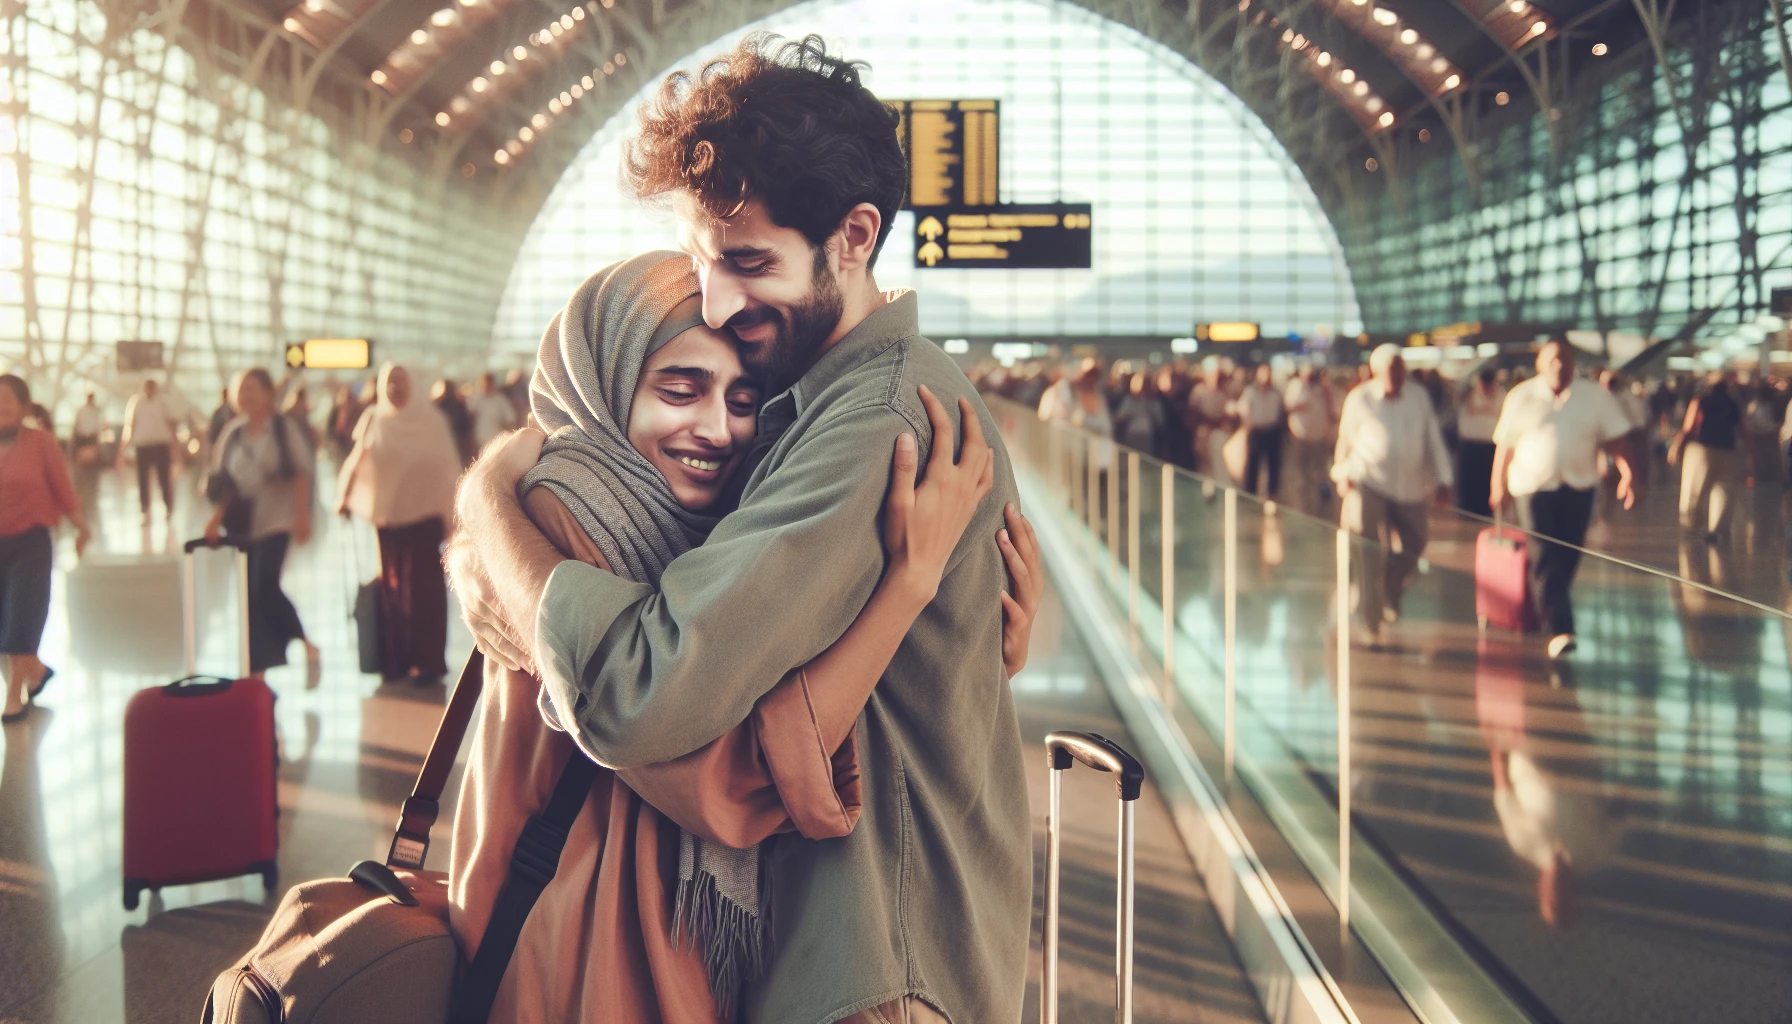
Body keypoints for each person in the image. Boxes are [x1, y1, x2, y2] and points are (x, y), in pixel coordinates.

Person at [445, 34, 1036, 1024]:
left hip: (874, 967)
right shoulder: (803, 409)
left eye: (749, 261)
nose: (717, 300)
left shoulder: (875, 423)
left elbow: (642, 694)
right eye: (702, 261)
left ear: (853, 237)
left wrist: (484, 507)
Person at [1490, 341, 1636, 659]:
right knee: (1543, 553)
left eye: (1565, 359)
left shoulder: (1595, 396)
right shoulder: (1522, 397)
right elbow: (1505, 445)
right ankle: (1560, 629)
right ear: (1540, 365)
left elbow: (1616, 439)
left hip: (1579, 485)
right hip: (1532, 486)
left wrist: (1627, 473)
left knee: (1568, 555)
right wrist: (1496, 485)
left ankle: (1545, 606)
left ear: (1574, 364)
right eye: (1553, 360)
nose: (1560, 366)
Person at [335, 364, 462, 682]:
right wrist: (344, 497)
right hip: (389, 519)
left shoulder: (432, 422)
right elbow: (357, 461)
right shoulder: (374, 420)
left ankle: (427, 661)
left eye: (401, 382)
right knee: (392, 589)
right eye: (389, 383)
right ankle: (397, 659)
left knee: (423, 591)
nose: (395, 389)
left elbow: (449, 469)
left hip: (424, 519)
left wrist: (453, 516)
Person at [203, 368, 319, 681]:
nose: (246, 396)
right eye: (241, 391)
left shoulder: (283, 428)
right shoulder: (233, 434)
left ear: (269, 393)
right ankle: (258, 669)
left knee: (264, 584)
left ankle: (301, 640)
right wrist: (214, 521)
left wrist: (302, 516)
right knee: (249, 596)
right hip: (241, 524)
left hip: (277, 518)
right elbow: (223, 485)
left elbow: (300, 473)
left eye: (253, 389)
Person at [1332, 345, 1452, 641]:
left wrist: (1443, 479)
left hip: (1409, 486)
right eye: (1390, 369)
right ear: (1377, 372)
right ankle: (1371, 620)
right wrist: (1342, 473)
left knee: (1416, 540)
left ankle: (1390, 588)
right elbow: (1345, 442)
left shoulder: (1418, 397)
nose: (1395, 375)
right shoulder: (1360, 399)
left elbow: (1432, 438)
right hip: (1368, 481)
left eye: (1399, 368)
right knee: (1367, 550)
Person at [0, 375, 90, 723]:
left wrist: (81, 527)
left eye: (9, 401)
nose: (2, 407)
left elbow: (62, 488)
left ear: (24, 406)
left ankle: (13, 696)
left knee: (23, 614)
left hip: (32, 541)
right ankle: (35, 672)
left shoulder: (41, 443)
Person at [1669, 371, 1745, 542]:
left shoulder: (1701, 401)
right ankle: (1717, 529)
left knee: (1694, 490)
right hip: (1727, 450)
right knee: (1723, 491)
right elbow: (1742, 430)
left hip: (1702, 450)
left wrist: (1675, 447)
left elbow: (1688, 428)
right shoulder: (1733, 404)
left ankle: (1691, 527)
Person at [119, 378, 177, 524]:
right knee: (142, 480)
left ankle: (168, 507)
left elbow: (171, 424)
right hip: (143, 445)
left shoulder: (163, 402)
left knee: (164, 479)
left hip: (160, 444)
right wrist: (122, 450)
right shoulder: (136, 402)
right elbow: (129, 426)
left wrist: (176, 448)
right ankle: (144, 510)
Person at [1283, 364, 1334, 514]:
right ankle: (1302, 496)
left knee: (1319, 467)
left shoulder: (1320, 389)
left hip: (1318, 435)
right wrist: (1302, 405)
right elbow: (1288, 406)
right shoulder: (1296, 386)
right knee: (1302, 468)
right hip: (1301, 435)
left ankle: (1320, 491)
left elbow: (1329, 407)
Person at [1233, 362, 1285, 505]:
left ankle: (1271, 495)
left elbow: (1280, 412)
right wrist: (1248, 424)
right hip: (1256, 431)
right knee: (1253, 465)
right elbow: (1242, 409)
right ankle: (1250, 496)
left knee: (1273, 465)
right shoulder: (1250, 391)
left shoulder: (1276, 392)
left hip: (1272, 431)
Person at [1456, 369, 1505, 516]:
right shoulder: (1468, 395)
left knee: (1486, 485)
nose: (1486, 388)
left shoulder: (1502, 397)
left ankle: (1486, 513)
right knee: (1470, 485)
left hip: (1492, 448)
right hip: (1470, 446)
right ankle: (1467, 513)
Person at [470, 371, 519, 450]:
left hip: (496, 439)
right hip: (479, 441)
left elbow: (510, 418)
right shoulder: (475, 400)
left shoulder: (500, 400)